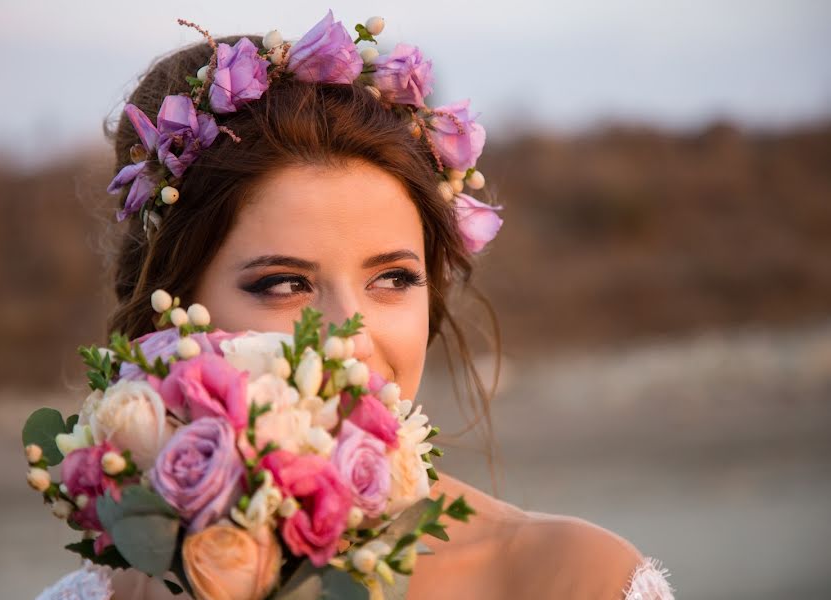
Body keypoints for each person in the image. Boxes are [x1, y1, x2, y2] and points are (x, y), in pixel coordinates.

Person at [40, 11, 674, 600]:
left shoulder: (572, 580)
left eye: (394, 279)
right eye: (285, 284)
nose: (350, 339)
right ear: (169, 314)